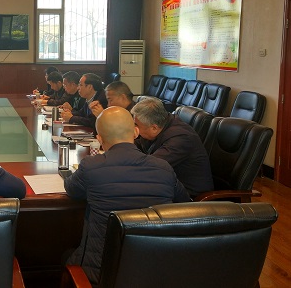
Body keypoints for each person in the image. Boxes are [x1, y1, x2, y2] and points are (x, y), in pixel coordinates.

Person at [64, 106, 190, 286]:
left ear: (99, 139)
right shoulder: (164, 168)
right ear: (136, 132)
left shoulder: (91, 166)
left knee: (66, 256)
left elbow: (71, 189)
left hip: (101, 276)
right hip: (157, 272)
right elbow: (185, 204)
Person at [131, 97, 214, 198]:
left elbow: (150, 166)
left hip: (188, 196)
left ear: (154, 128)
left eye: (137, 125)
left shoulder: (181, 138)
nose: (134, 128)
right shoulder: (162, 124)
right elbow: (139, 145)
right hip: (167, 185)